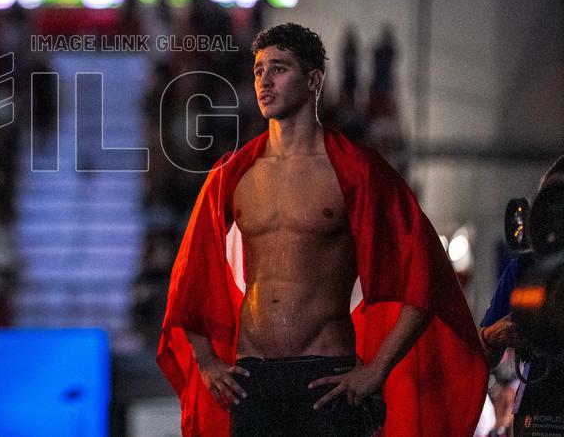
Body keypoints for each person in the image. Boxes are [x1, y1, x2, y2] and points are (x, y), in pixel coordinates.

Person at [157, 23, 487, 436]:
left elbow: (426, 274)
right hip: (251, 377)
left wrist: (378, 369)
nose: (264, 81)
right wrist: (205, 361)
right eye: (259, 70)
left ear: (314, 80)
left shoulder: (357, 172)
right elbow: (190, 279)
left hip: (327, 376)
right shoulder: (232, 174)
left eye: (279, 69)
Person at [478, 156, 564, 436]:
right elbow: (479, 356)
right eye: (550, 202)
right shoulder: (526, 267)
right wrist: (493, 336)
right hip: (542, 412)